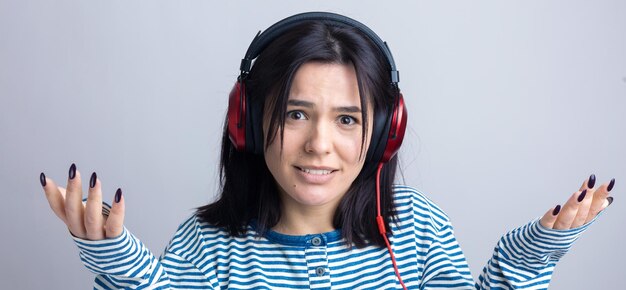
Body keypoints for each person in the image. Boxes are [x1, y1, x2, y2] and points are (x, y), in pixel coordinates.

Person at [40, 12, 615, 289]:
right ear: (246, 120)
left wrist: (537, 250)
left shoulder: (415, 228)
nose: (320, 145)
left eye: (346, 119)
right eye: (295, 114)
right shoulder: (208, 242)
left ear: (386, 132)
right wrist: (113, 257)